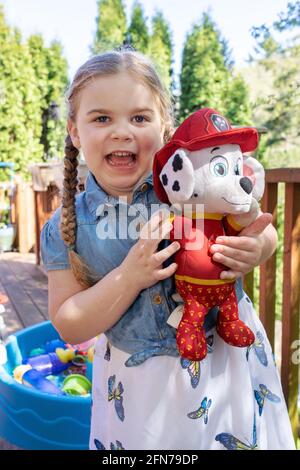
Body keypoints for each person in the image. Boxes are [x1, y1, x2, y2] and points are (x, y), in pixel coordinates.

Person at [40, 48, 295, 450]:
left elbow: (262, 229)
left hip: (221, 362)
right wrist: (129, 276)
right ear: (75, 132)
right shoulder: (66, 227)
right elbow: (70, 323)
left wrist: (257, 248)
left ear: (164, 128)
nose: (122, 131)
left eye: (139, 118)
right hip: (139, 385)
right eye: (102, 118)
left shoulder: (194, 189)